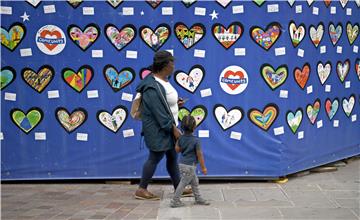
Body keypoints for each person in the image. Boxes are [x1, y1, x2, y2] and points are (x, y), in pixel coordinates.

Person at [134, 50, 191, 200]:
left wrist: (176, 103)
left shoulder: (164, 81)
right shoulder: (151, 86)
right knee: (154, 157)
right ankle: (141, 189)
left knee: (172, 157)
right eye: (172, 63)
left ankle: (178, 187)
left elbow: (163, 103)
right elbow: (158, 112)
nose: (174, 66)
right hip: (159, 129)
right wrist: (173, 129)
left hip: (167, 127)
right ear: (165, 65)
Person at [170, 115, 210, 208]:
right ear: (194, 127)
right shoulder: (196, 140)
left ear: (182, 127)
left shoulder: (181, 138)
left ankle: (198, 198)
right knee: (183, 183)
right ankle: (175, 201)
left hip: (182, 164)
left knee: (195, 181)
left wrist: (178, 140)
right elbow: (200, 155)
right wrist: (203, 167)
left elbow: (177, 150)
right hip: (190, 166)